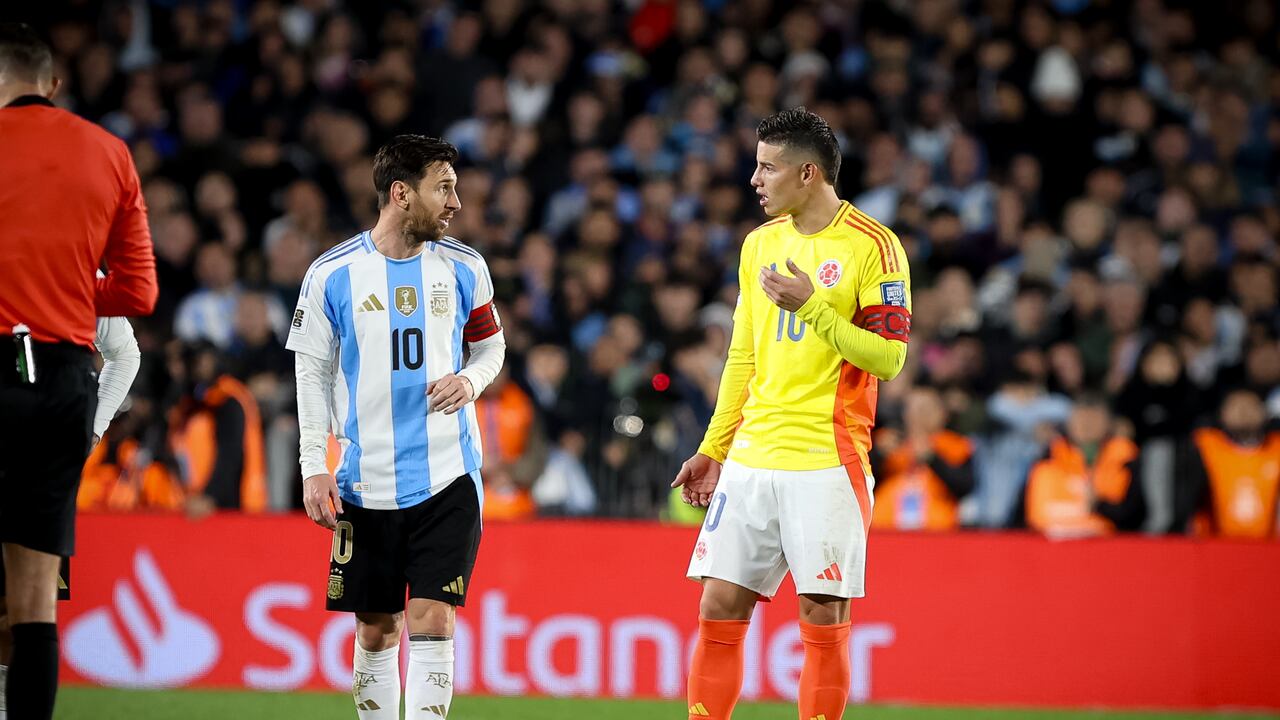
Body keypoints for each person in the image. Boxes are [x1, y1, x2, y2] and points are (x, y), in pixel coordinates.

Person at [673, 108, 911, 720]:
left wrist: (815, 309)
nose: (754, 178)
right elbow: (742, 355)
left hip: (826, 461)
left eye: (766, 167)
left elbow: (888, 358)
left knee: (822, 617)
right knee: (718, 609)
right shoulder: (759, 245)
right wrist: (715, 448)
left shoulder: (874, 247)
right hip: (753, 458)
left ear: (807, 173)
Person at [287, 135, 505, 720]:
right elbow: (309, 376)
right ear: (402, 193)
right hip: (364, 481)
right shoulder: (332, 274)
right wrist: (314, 467)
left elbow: (491, 346)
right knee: (376, 629)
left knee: (434, 618)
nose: (457, 201)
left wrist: (472, 381)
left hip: (448, 475)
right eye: (445, 187)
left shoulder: (465, 266)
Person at [0, 23, 155, 720]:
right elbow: (138, 294)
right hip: (62, 382)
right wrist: (61, 288)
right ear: (54, 85)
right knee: (34, 602)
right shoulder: (109, 151)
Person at [0, 309, 141, 719]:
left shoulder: (78, 273)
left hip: (41, 467)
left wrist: (92, 431)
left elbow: (125, 354)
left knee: (21, 611)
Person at [1018, 395, 1146, 537]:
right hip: (1048, 544)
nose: (1086, 426)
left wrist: (1099, 505)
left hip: (1109, 546)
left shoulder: (1125, 458)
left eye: (1094, 420)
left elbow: (1135, 515)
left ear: (1109, 423)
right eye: (1081, 419)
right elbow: (1023, 514)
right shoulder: (1047, 458)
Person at [1177, 389, 1280, 539]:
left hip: (1270, 547)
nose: (1243, 412)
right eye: (1235, 406)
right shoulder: (1203, 446)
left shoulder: (1277, 448)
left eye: (1251, 406)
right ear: (1221, 413)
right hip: (1212, 545)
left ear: (1264, 413)